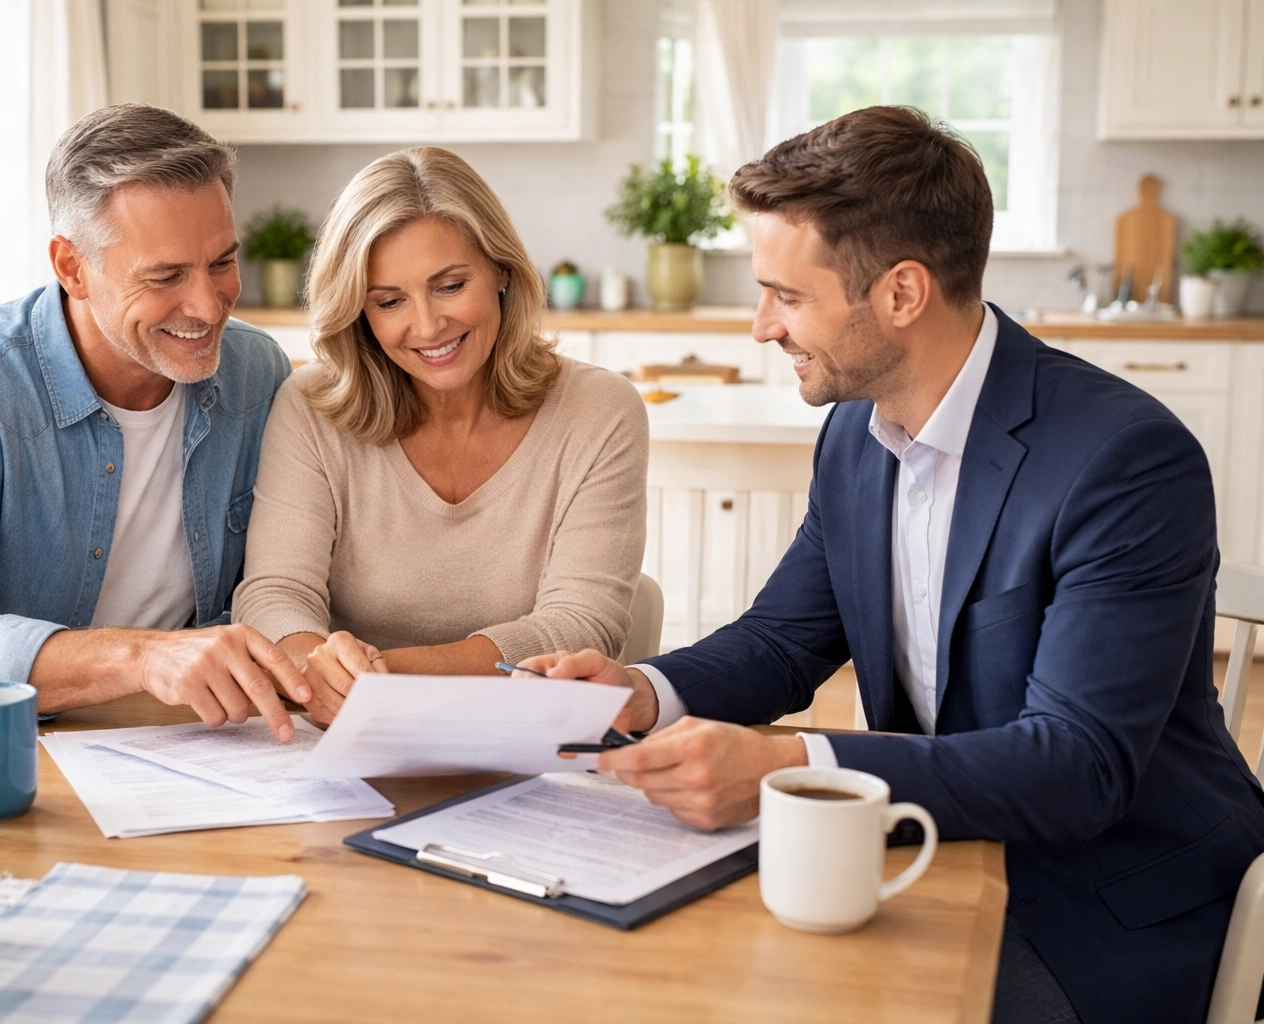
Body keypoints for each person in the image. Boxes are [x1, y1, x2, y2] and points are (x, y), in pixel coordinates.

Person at [524, 106, 1264, 1024]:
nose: (761, 326)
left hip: (1099, 903)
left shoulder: (1123, 459)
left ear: (902, 293)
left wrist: (788, 762)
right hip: (936, 851)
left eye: (786, 296)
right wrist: (639, 690)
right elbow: (783, 640)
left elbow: (1078, 767)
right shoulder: (855, 434)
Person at [0, 104, 312, 739]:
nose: (208, 307)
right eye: (166, 275)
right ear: (71, 267)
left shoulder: (255, 372)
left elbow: (285, 574)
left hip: (181, 741)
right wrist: (143, 657)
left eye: (222, 262)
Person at [233, 147, 647, 723]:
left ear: (502, 270)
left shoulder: (599, 410)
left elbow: (581, 624)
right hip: (344, 738)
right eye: (389, 301)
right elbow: (274, 593)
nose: (427, 326)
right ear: (359, 312)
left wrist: (383, 678)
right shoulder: (310, 407)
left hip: (525, 737)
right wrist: (314, 668)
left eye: (450, 285)